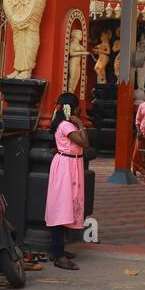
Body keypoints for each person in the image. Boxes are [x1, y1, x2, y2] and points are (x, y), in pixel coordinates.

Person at [45, 92, 88, 269]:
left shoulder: (64, 125)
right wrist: (80, 124)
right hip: (66, 167)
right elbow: (84, 143)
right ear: (73, 108)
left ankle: (58, 249)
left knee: (67, 205)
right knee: (62, 207)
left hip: (71, 165)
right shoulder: (66, 126)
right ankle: (59, 255)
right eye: (78, 106)